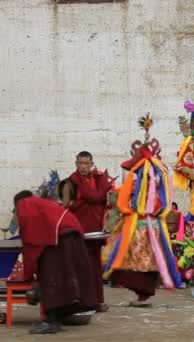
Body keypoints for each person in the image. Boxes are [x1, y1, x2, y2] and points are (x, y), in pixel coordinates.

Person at [103, 114, 181, 307]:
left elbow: (160, 202)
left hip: (148, 225)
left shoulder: (156, 179)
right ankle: (141, 293)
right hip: (138, 223)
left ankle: (143, 293)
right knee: (134, 259)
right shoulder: (139, 180)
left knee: (144, 260)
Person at [14, 191, 96, 334]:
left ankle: (51, 322)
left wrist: (28, 277)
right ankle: (57, 317)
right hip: (74, 237)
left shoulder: (24, 204)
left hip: (59, 240)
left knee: (50, 278)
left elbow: (30, 243)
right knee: (66, 280)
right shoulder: (43, 203)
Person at [61, 151, 113, 313]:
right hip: (78, 233)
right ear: (76, 163)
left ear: (91, 164)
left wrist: (107, 223)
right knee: (80, 268)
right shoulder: (70, 183)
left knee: (96, 268)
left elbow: (107, 205)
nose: (83, 167)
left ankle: (98, 301)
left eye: (86, 164)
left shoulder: (99, 182)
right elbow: (65, 208)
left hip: (96, 232)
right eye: (80, 163)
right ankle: (82, 301)